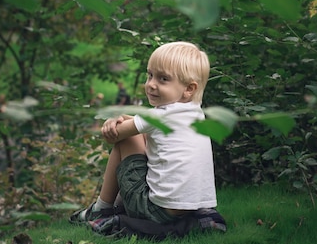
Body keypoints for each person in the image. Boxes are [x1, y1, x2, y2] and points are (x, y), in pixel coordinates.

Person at [70, 41, 217, 225]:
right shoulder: (195, 114)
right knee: (141, 135)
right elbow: (146, 127)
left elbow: (117, 134)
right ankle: (112, 206)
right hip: (188, 209)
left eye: (163, 79)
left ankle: (102, 208)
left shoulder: (159, 116)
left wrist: (114, 121)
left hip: (155, 211)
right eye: (150, 75)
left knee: (128, 139)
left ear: (189, 89)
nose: (151, 84)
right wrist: (124, 118)